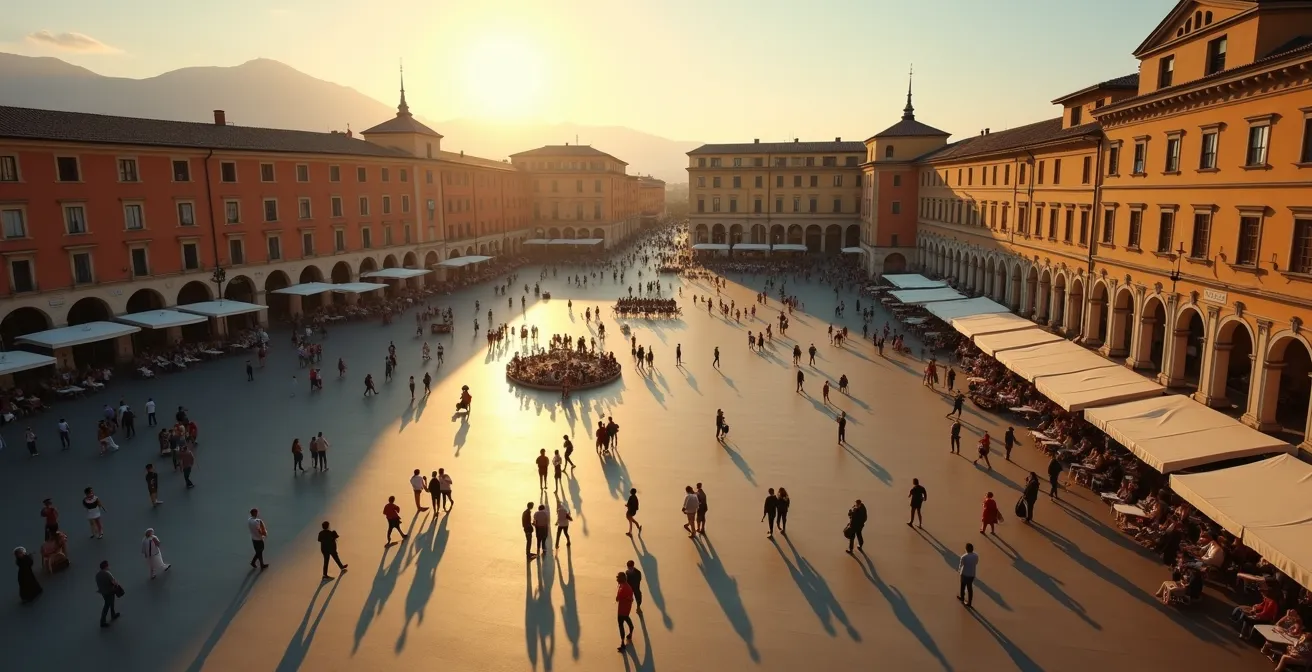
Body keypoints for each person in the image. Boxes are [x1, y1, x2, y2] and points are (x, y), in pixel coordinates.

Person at [95, 561, 122, 627]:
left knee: (110, 602)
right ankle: (102, 621)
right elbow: (114, 582)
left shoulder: (97, 574)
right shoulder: (107, 574)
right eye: (108, 565)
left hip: (103, 592)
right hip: (110, 591)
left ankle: (113, 614)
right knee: (107, 605)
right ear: (106, 567)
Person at [615, 571, 636, 652]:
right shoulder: (628, 586)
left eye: (617, 578)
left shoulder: (622, 588)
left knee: (621, 625)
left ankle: (622, 643)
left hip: (621, 610)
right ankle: (631, 631)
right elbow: (631, 598)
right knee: (627, 618)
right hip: (627, 608)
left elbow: (617, 599)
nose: (617, 579)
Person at [958, 543, 979, 608]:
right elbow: (976, 563)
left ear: (966, 549)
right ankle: (969, 602)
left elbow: (961, 565)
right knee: (969, 588)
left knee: (962, 586)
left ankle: (962, 597)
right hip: (972, 574)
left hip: (964, 573)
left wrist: (959, 570)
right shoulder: (976, 556)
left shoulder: (964, 557)